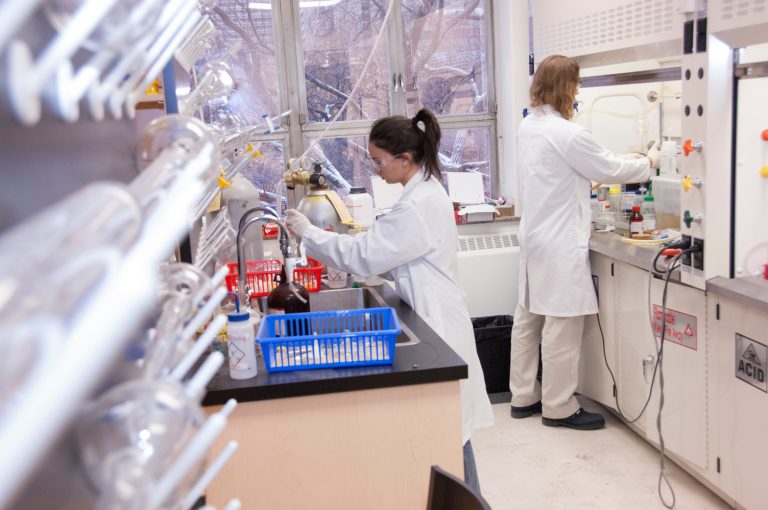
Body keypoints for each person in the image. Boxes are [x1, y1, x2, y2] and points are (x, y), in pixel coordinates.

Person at [284, 108, 494, 491]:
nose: (376, 169)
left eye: (380, 161)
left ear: (405, 159)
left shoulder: (416, 205)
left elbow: (365, 255)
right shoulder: (424, 192)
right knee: (450, 436)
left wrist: (309, 233)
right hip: (436, 311)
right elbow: (389, 255)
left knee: (451, 439)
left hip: (438, 321)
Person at [509, 55, 659, 430]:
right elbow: (607, 168)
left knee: (528, 319)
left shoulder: (528, 126)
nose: (577, 93)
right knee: (561, 324)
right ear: (566, 88)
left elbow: (581, 165)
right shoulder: (568, 133)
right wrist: (649, 161)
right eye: (575, 86)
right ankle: (558, 406)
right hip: (559, 241)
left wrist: (620, 159)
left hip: (535, 236)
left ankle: (523, 396)